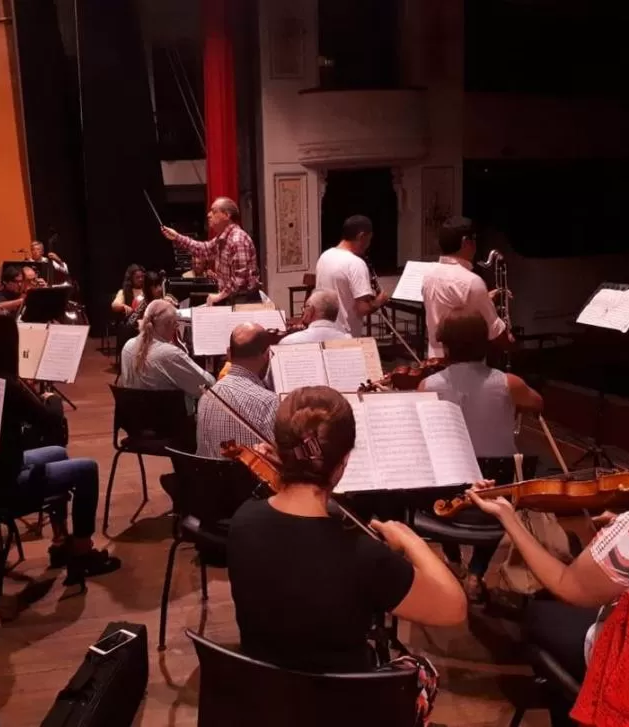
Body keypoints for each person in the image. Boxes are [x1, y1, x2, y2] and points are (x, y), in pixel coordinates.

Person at [468, 386, 629, 722]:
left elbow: (571, 588)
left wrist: (509, 519)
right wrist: (586, 531)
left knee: (540, 611)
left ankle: (570, 711)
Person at [228, 386, 466, 722]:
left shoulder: (242, 520)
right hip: (342, 710)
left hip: (265, 699)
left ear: (280, 451)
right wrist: (413, 541)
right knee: (421, 669)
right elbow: (454, 608)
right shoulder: (363, 556)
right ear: (342, 462)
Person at [0, 309, 120, 581]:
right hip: (2, 483)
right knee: (87, 469)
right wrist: (44, 396)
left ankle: (60, 542)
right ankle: (82, 551)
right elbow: (51, 423)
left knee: (58, 453)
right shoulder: (6, 383)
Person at [418, 308, 543, 600]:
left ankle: (452, 560)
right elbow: (538, 404)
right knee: (500, 487)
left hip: (447, 495)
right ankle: (476, 571)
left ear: (445, 346)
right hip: (493, 492)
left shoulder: (428, 386)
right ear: (484, 344)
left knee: (432, 479)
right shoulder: (509, 383)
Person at [421, 216, 510, 360]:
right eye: (474, 240)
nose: (475, 246)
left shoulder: (428, 275)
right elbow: (495, 332)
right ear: (465, 242)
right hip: (463, 366)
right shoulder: (471, 281)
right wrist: (511, 343)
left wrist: (485, 298)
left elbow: (451, 306)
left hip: (435, 358)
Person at [195, 323, 277, 458]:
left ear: (229, 353)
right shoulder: (268, 402)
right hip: (252, 479)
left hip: (212, 478)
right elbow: (278, 460)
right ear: (267, 355)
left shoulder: (207, 397)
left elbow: (202, 454)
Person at [161, 197, 261, 305]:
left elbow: (240, 279)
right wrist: (176, 236)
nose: (209, 215)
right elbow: (202, 249)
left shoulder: (238, 239)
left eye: (214, 211)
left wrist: (219, 296)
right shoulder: (222, 239)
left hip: (243, 301)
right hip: (233, 299)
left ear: (227, 215)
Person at [119, 299, 213, 400]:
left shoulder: (127, 346)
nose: (177, 327)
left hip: (133, 414)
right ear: (166, 325)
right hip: (167, 415)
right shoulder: (170, 354)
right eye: (175, 323)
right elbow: (207, 386)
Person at [314, 215, 389, 337]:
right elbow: (362, 308)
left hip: (324, 331)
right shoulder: (356, 263)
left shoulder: (325, 256)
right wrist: (379, 301)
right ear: (361, 236)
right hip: (346, 335)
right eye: (369, 240)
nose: (368, 245)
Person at [278, 289, 351, 346]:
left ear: (311, 310)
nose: (304, 312)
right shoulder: (349, 341)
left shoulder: (288, 342)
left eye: (305, 308)